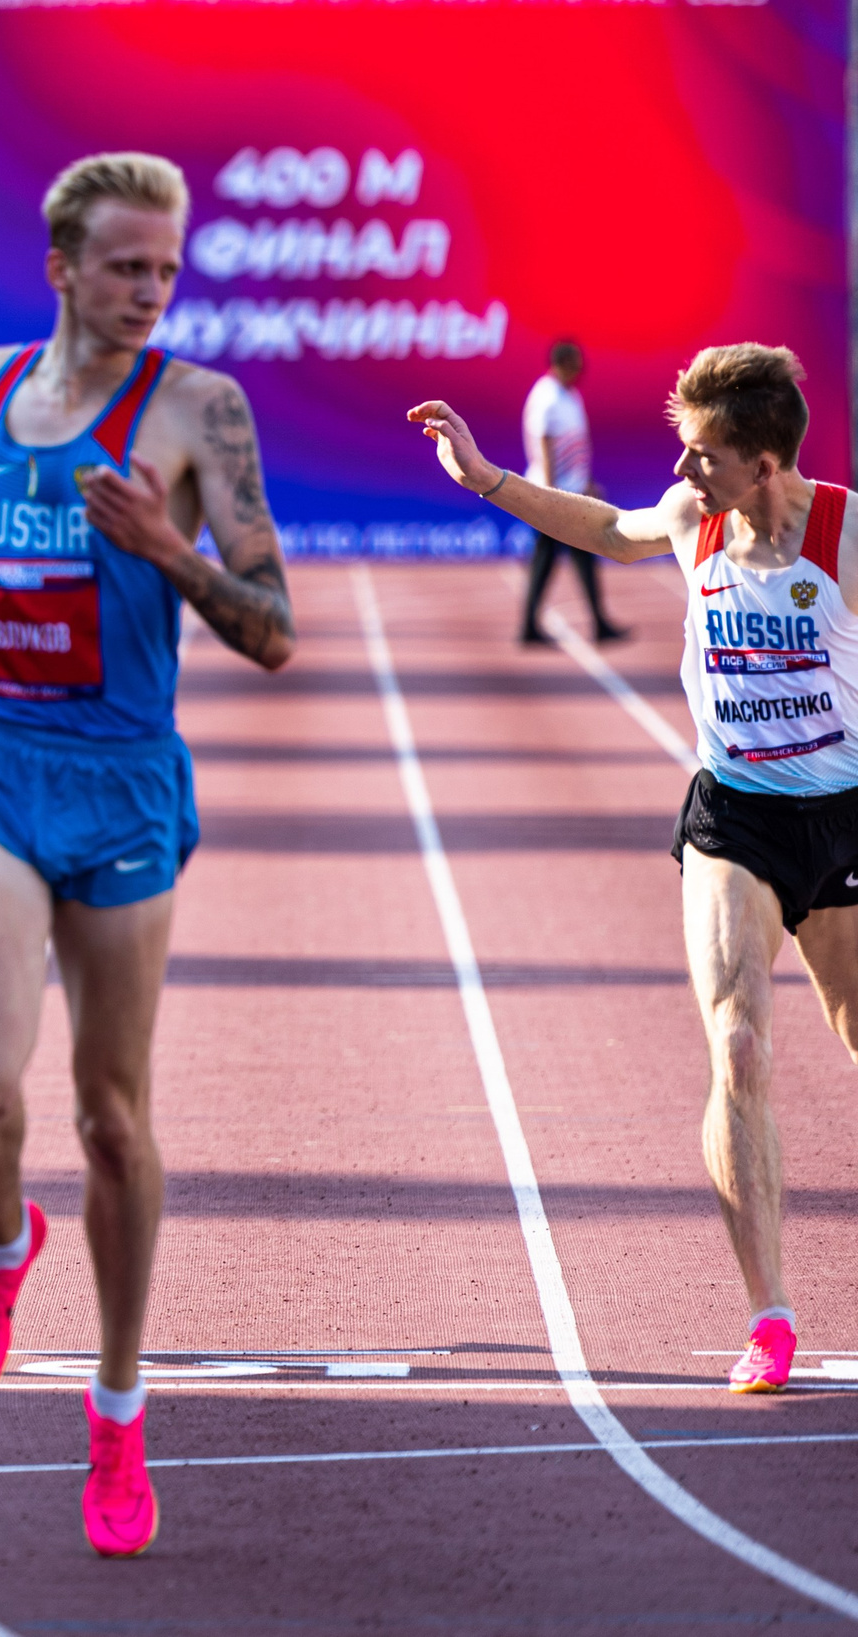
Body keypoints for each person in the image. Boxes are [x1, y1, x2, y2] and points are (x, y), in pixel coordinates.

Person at [0, 153, 297, 1558]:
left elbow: (274, 628)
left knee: (110, 1117)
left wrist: (167, 545)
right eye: (124, 266)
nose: (149, 291)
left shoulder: (198, 408)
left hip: (120, 781)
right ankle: (3, 1247)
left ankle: (116, 1405)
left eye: (166, 268)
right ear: (60, 266)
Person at [410, 343, 848, 1398]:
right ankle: (770, 1315)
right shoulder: (693, 516)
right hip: (734, 818)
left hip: (842, 821)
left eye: (703, 455)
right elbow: (610, 529)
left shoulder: (842, 532)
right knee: (738, 1042)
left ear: (766, 463)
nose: (682, 470)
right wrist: (487, 478)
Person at [518, 340, 628, 645]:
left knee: (577, 556)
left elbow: (578, 445)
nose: (581, 369)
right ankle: (531, 626)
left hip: (573, 491)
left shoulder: (570, 395)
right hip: (555, 494)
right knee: (547, 559)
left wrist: (586, 481)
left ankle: (596, 623)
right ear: (562, 363)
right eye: (576, 363)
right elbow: (543, 443)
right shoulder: (547, 397)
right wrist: (550, 493)